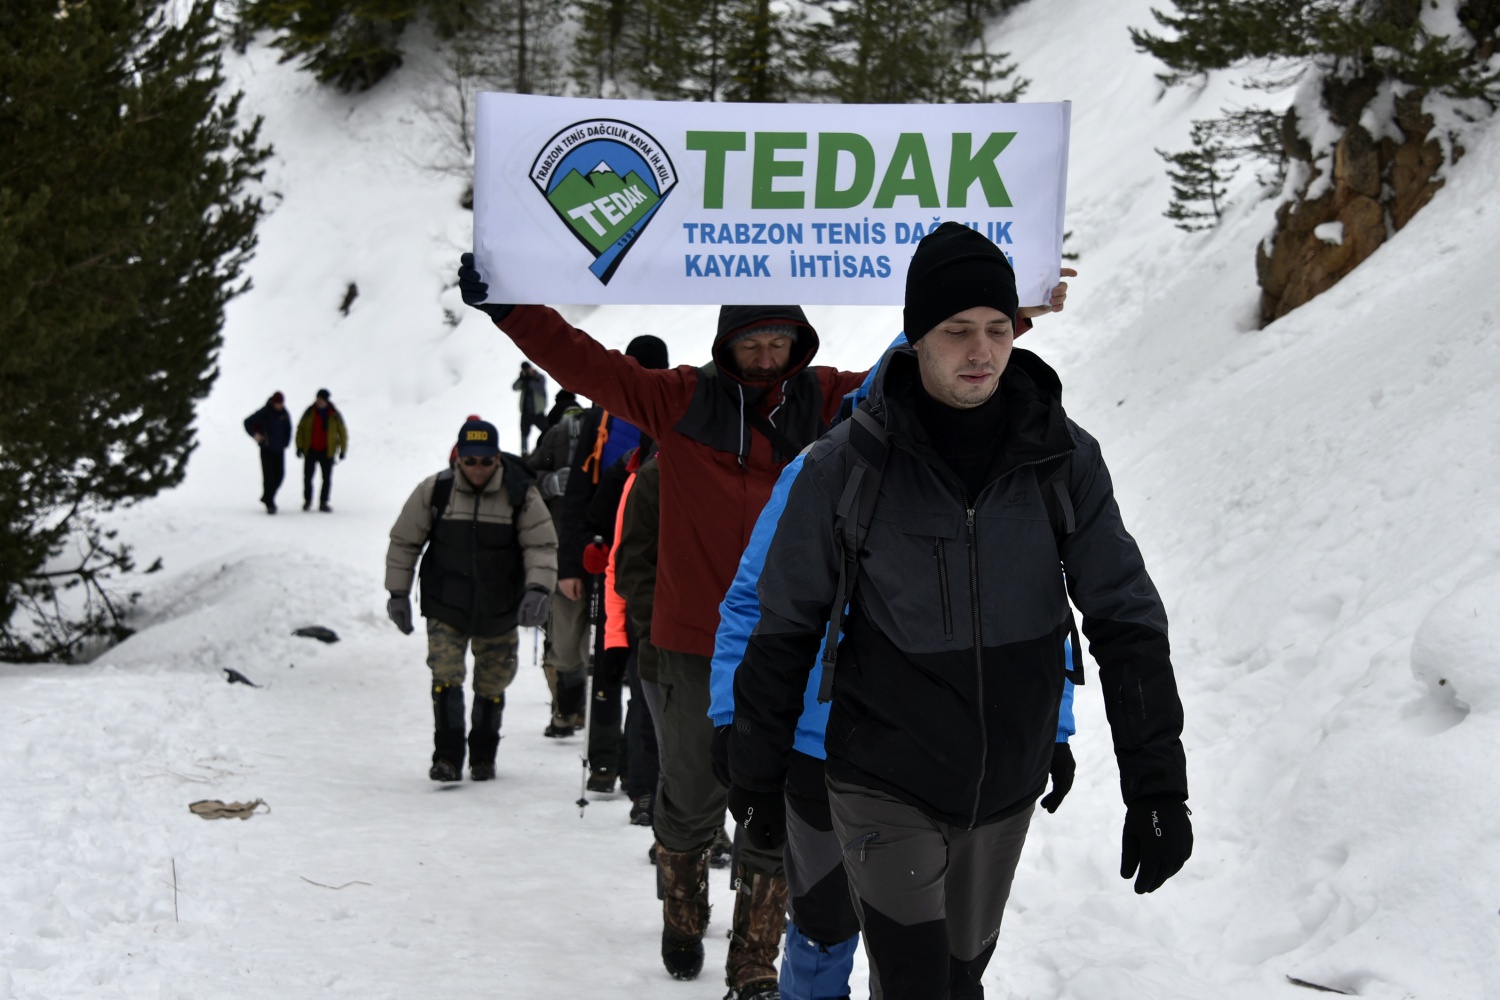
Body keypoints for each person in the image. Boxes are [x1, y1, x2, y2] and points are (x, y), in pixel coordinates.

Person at [456, 251, 1068, 998]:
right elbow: (589, 366)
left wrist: (1008, 314)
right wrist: (511, 309)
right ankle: (683, 908)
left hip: (800, 651)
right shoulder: (681, 401)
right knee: (691, 799)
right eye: (753, 343)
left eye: (781, 341)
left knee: (777, 817)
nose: (768, 356)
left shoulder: (825, 400)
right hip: (694, 641)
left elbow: (919, 361)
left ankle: (753, 962)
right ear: (726, 344)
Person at [727, 223, 1189, 1000]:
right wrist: (757, 772)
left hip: (1005, 784)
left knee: (960, 977)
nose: (981, 351)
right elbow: (783, 626)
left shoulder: (1062, 458)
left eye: (998, 329)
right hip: (882, 778)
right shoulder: (846, 466)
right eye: (957, 330)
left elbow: (1125, 620)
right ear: (916, 338)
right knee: (917, 984)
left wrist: (1157, 786)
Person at [709, 338, 1082, 1000]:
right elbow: (757, 604)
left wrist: (1052, 726)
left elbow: (1032, 614)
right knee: (825, 925)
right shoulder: (829, 469)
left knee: (929, 957)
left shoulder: (1003, 476)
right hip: (820, 747)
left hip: (945, 755)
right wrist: (733, 719)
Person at [384, 418, 558, 781]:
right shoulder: (435, 491)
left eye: (486, 461)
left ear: (497, 458)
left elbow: (541, 545)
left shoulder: (520, 494)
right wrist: (398, 593)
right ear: (458, 458)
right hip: (445, 603)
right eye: (470, 461)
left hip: (500, 606)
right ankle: (446, 758)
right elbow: (404, 541)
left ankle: (483, 756)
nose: (478, 468)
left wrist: (538, 590)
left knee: (492, 683)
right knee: (445, 675)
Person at [526, 398, 590, 737]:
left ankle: (567, 712)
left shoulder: (557, 434)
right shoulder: (559, 437)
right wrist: (549, 483)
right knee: (570, 641)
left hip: (562, 549)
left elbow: (527, 477)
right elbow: (527, 479)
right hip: (568, 552)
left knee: (562, 639)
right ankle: (573, 711)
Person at [295, 388, 348, 512]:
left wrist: (342, 450)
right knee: (308, 477)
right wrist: (299, 446)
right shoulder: (309, 412)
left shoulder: (334, 414)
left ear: (326, 401)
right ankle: (307, 501)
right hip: (311, 450)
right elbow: (300, 429)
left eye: (321, 399)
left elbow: (342, 433)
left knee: (326, 479)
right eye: (318, 399)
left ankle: (324, 502)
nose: (319, 401)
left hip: (327, 451)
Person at [243, 391, 292, 514]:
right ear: (273, 402)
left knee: (280, 475)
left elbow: (288, 428)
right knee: (269, 477)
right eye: (278, 403)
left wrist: (286, 442)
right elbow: (247, 422)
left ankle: (267, 497)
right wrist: (255, 434)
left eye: (282, 403)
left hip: (279, 449)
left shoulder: (284, 413)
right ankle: (270, 503)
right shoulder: (265, 412)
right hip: (267, 449)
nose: (280, 405)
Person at [513, 362, 548, 454]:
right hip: (525, 413)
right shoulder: (524, 380)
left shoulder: (539, 377)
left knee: (547, 431)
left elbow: (540, 387)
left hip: (538, 413)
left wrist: (530, 379)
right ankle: (524, 453)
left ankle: (549, 449)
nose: (527, 371)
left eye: (528, 369)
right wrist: (521, 378)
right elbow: (514, 387)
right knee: (524, 435)